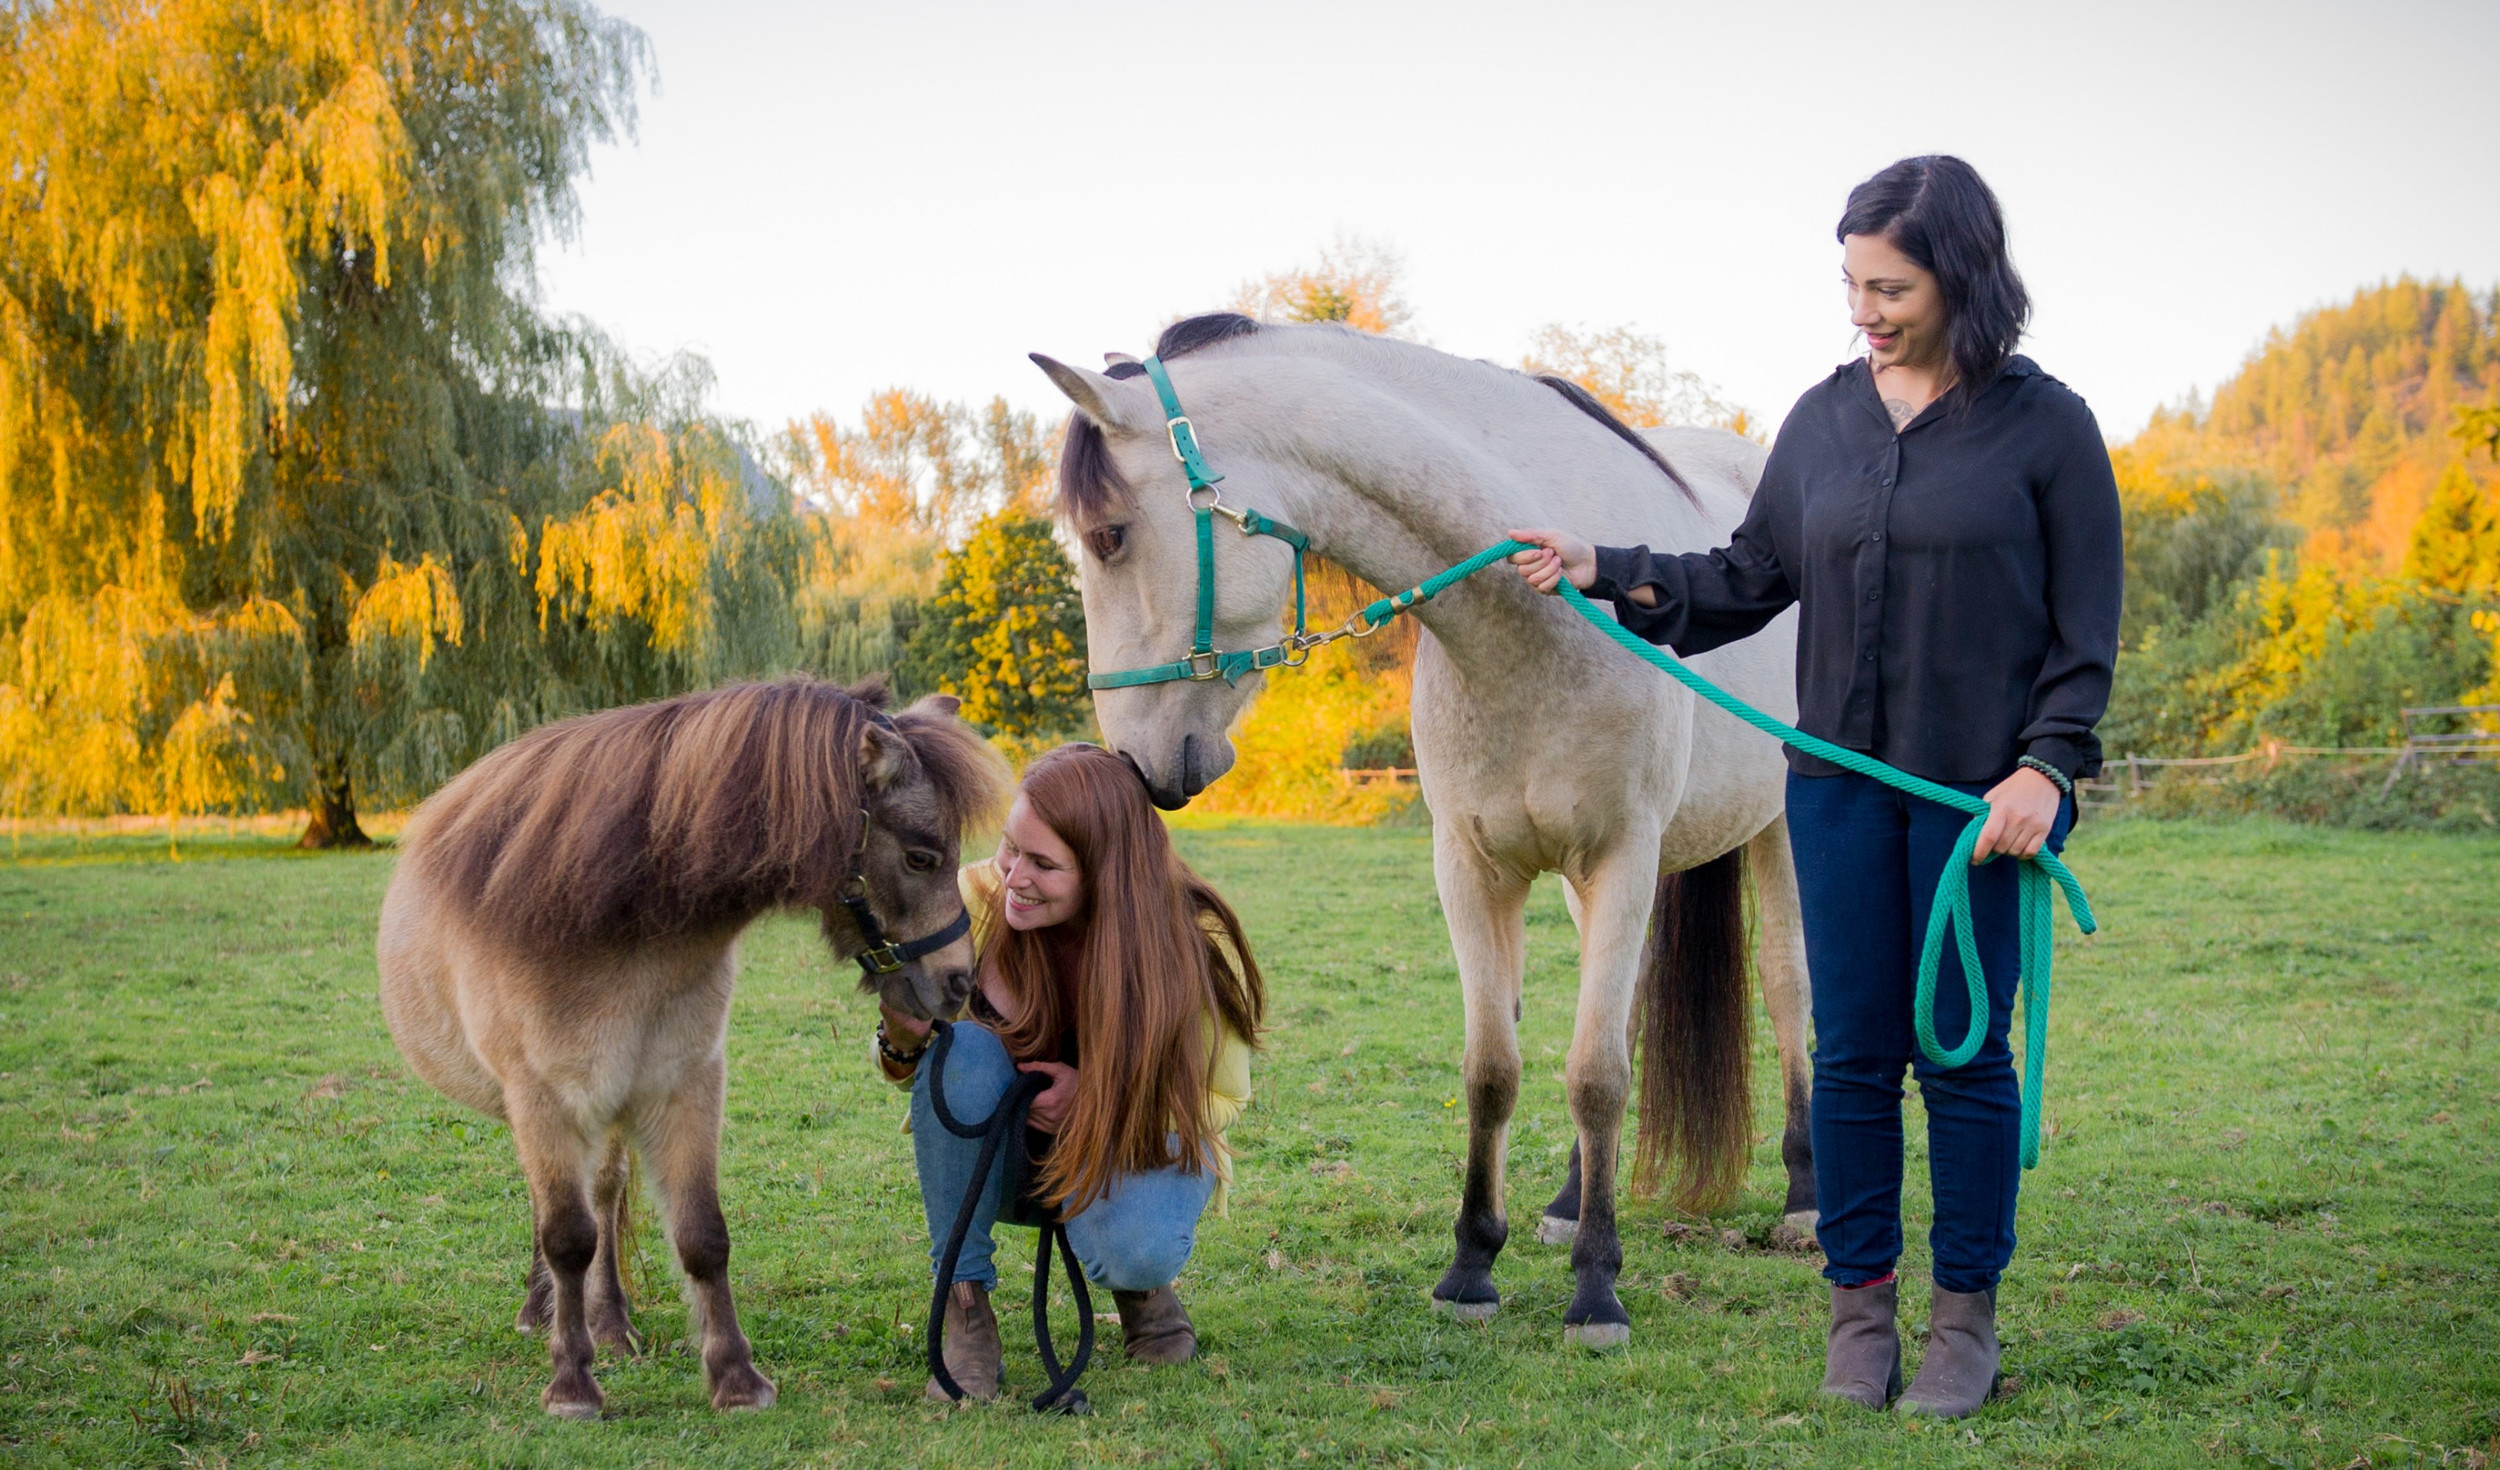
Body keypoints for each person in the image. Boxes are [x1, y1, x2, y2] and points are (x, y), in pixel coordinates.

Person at [1507, 155, 2121, 1419]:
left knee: (1960, 1056)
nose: (1863, 311)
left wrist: (2046, 767)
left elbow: (2085, 631)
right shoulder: (1824, 420)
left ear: (1961, 276)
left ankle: (1963, 1323)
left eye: (1889, 287)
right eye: (1851, 285)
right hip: (1835, 789)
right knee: (1848, 1059)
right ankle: (1859, 1315)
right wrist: (1602, 562)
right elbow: (1745, 577)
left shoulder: (2047, 429)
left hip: (1974, 809)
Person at [871, 743, 1264, 1401]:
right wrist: (901, 1041)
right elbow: (928, 1085)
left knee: (1136, 1248)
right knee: (963, 1052)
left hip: (1127, 1152)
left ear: (1106, 873)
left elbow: (1223, 1096)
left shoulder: (1192, 935)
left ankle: (1141, 1287)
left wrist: (1100, 1105)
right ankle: (965, 1308)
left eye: (1044, 864)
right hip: (1004, 1162)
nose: (1014, 876)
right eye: (1010, 847)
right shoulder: (970, 902)